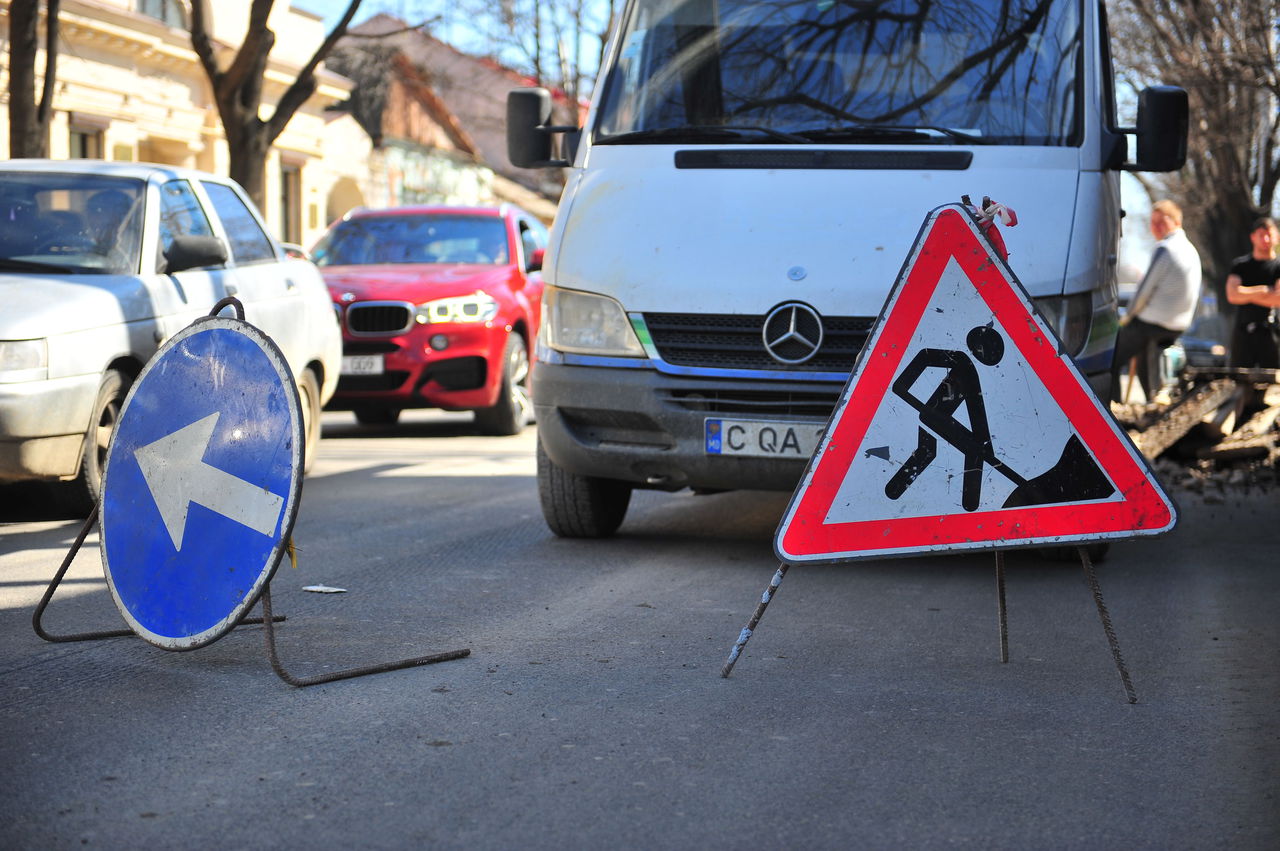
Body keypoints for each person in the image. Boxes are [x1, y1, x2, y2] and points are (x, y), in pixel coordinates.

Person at [1110, 200, 1202, 403]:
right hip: (1178, 324)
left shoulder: (1166, 248)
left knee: (1110, 359)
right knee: (1143, 360)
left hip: (1152, 322)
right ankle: (1152, 404)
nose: (1156, 227)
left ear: (1177, 221)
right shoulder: (1191, 251)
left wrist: (1126, 318)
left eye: (1162, 221)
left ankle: (1110, 409)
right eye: (1153, 222)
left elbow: (1143, 291)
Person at [1224, 216, 1280, 369]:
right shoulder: (1240, 266)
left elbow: (1278, 299)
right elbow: (1232, 295)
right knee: (1240, 381)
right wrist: (1263, 291)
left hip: (1271, 333)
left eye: (1269, 234)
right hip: (1243, 333)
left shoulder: (1277, 266)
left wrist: (1246, 295)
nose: (1266, 239)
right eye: (1261, 235)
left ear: (1277, 237)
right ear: (1253, 237)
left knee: (1272, 382)